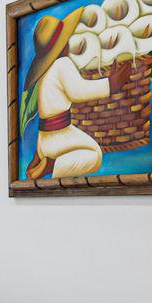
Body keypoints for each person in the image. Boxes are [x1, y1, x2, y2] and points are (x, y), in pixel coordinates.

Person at [23, 10, 130, 180]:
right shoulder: (62, 64)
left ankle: (40, 156)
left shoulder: (45, 71)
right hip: (58, 136)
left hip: (45, 137)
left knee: (90, 147)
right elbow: (79, 91)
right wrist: (111, 84)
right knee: (95, 155)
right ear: (62, 45)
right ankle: (51, 164)